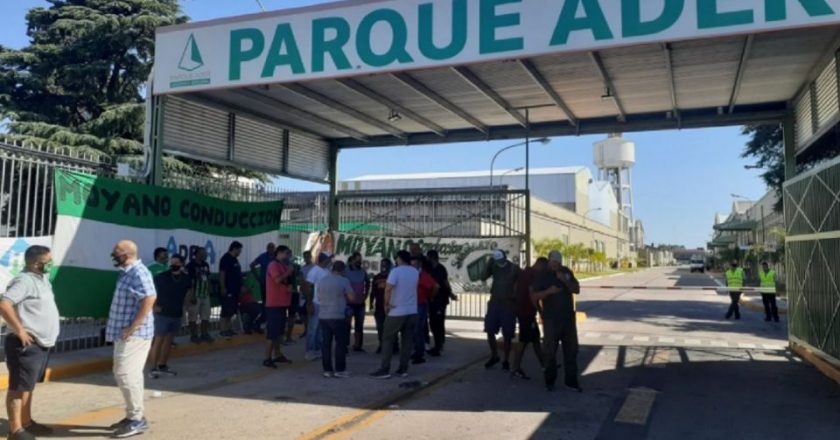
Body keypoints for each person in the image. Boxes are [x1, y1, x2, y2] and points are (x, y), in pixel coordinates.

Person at [0, 245, 59, 440]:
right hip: (24, 345)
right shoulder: (24, 281)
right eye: (48, 262)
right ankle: (15, 430)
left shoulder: (42, 279)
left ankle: (26, 422)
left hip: (41, 344)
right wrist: (20, 330)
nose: (51, 264)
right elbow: (4, 303)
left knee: (28, 386)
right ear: (35, 263)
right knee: (18, 387)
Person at [106, 240, 157, 438]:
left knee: (126, 374)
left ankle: (137, 419)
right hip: (125, 333)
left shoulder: (139, 272)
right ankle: (131, 416)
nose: (113, 255)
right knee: (127, 374)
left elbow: (149, 298)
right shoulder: (126, 272)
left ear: (126, 254)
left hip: (135, 335)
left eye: (115, 252)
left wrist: (133, 326)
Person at [532, 250, 581, 392]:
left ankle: (571, 382)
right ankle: (550, 381)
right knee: (549, 352)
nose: (556, 266)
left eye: (558, 263)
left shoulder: (566, 272)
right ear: (549, 262)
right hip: (551, 320)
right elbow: (534, 296)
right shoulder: (542, 275)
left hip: (568, 320)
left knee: (571, 351)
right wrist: (549, 292)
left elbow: (576, 289)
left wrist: (565, 280)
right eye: (554, 263)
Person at [370, 251, 419, 379]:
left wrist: (386, 304)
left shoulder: (396, 271)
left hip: (397, 310)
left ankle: (385, 369)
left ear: (400, 259)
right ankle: (403, 369)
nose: (396, 260)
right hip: (412, 310)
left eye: (396, 258)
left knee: (387, 339)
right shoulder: (415, 272)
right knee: (407, 341)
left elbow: (388, 288)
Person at [148, 255, 192, 378]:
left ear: (182, 264)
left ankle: (162, 365)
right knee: (158, 340)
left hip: (176, 313)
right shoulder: (161, 277)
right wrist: (153, 306)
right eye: (172, 262)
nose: (173, 264)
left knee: (168, 341)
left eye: (176, 262)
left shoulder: (186, 278)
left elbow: (189, 292)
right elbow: (151, 291)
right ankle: (152, 367)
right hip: (162, 313)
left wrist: (185, 307)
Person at [481, 249, 520, 370]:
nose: (500, 263)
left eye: (501, 260)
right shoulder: (493, 265)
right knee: (489, 329)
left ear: (505, 257)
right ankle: (494, 355)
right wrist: (488, 265)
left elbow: (522, 282)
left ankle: (506, 360)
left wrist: (515, 292)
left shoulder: (514, 268)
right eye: (497, 261)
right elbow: (483, 277)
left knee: (507, 334)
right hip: (495, 302)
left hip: (508, 305)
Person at [317, 261, 355, 378]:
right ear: (342, 270)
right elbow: (352, 298)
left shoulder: (322, 281)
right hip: (338, 316)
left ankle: (327, 370)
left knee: (326, 344)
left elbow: (318, 297)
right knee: (340, 344)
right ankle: (340, 369)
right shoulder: (344, 281)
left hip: (323, 315)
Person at [511, 257, 548, 380]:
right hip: (527, 313)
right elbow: (533, 295)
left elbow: (515, 288)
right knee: (523, 341)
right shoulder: (532, 275)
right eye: (544, 268)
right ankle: (515, 368)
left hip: (523, 311)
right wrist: (540, 311)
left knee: (535, 339)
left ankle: (545, 365)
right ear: (540, 265)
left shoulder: (524, 272)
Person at [264, 246, 293, 368]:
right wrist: (288, 272)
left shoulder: (283, 265)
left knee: (279, 332)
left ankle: (277, 354)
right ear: (279, 253)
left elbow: (287, 280)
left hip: (283, 303)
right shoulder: (273, 265)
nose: (287, 256)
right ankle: (267, 358)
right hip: (274, 304)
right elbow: (277, 280)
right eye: (286, 253)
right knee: (272, 332)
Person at [426, 250, 455, 357]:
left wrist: (451, 293)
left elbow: (445, 283)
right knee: (433, 322)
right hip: (432, 299)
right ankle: (438, 343)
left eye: (429, 258)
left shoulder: (440, 269)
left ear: (432, 258)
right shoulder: (429, 269)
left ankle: (439, 344)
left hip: (440, 299)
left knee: (438, 322)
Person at [304, 253, 332, 361]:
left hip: (325, 304)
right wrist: (309, 302)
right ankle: (309, 351)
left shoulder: (327, 271)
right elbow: (307, 286)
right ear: (323, 260)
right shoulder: (314, 271)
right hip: (316, 303)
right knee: (313, 328)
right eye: (328, 259)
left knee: (320, 329)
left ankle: (317, 349)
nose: (329, 261)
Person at [412, 257, 439, 365]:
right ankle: (418, 350)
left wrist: (431, 297)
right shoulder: (415, 274)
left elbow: (436, 286)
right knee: (416, 329)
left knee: (418, 329)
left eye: (413, 264)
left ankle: (420, 352)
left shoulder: (422, 275)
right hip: (415, 304)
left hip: (420, 304)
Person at [344, 252, 370, 352]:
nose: (359, 261)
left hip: (360, 303)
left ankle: (358, 345)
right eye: (357, 259)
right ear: (352, 260)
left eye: (360, 259)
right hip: (348, 303)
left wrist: (366, 294)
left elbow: (367, 282)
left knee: (359, 325)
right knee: (346, 326)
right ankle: (345, 345)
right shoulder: (345, 271)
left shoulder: (363, 271)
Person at [186, 248, 213, 344]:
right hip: (195, 294)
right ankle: (193, 335)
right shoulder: (190, 265)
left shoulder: (206, 265)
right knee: (193, 315)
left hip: (205, 294)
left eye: (205, 254)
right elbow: (190, 282)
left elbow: (208, 277)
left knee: (205, 315)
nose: (205, 255)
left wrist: (210, 287)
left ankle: (204, 333)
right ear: (196, 254)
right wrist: (191, 295)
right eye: (203, 254)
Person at [219, 241, 244, 337]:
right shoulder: (225, 259)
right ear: (234, 249)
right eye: (239, 250)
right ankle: (223, 329)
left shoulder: (235, 260)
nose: (240, 252)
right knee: (226, 310)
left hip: (235, 290)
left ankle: (228, 329)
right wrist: (223, 287)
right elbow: (222, 274)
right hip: (228, 289)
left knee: (231, 310)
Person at [369, 258, 392, 354]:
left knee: (390, 327)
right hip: (379, 306)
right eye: (382, 264)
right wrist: (370, 303)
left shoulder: (391, 277)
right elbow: (373, 292)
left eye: (386, 264)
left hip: (389, 306)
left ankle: (393, 346)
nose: (383, 266)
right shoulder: (377, 277)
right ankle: (381, 345)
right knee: (380, 327)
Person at [285, 253, 302, 344]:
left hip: (291, 293)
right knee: (289, 316)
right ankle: (287, 337)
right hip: (287, 293)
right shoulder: (280, 266)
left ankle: (287, 337)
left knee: (291, 316)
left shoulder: (294, 267)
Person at [299, 251, 316, 339]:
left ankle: (311, 330)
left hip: (312, 293)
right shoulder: (302, 268)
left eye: (308, 256)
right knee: (302, 313)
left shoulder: (315, 267)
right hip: (303, 294)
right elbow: (301, 280)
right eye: (305, 257)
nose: (306, 258)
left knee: (311, 312)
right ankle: (306, 329)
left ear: (311, 257)